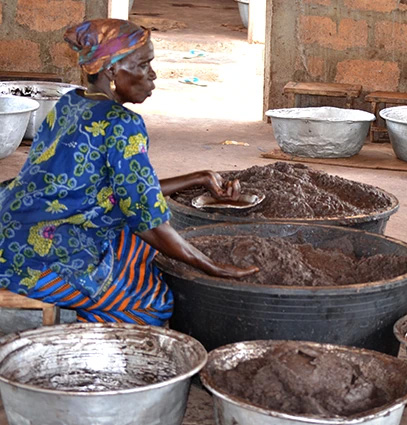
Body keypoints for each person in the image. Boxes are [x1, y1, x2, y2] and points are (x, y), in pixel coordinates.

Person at [0, 19, 258, 326]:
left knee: (140, 252)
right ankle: (73, 335)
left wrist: (199, 176)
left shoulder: (69, 103)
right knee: (155, 304)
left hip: (12, 229)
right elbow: (146, 218)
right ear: (111, 70)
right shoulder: (122, 123)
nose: (153, 75)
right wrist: (211, 265)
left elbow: (124, 188)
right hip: (38, 260)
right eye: (144, 64)